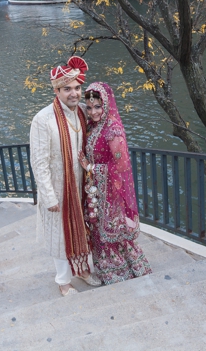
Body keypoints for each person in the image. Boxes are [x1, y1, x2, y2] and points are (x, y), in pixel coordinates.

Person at [29, 56, 101, 297]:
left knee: (83, 229)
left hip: (81, 185)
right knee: (61, 236)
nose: (74, 93)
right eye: (67, 89)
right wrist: (49, 196)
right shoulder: (43, 119)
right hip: (59, 188)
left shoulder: (81, 112)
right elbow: (39, 163)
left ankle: (82, 270)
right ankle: (63, 281)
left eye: (77, 88)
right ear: (57, 90)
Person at [78, 82, 152, 285]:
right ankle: (106, 269)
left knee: (112, 231)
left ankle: (123, 269)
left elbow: (121, 166)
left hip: (110, 193)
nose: (93, 112)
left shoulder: (113, 129)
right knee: (97, 230)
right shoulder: (94, 126)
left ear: (107, 104)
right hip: (96, 190)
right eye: (90, 107)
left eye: (98, 106)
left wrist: (91, 168)